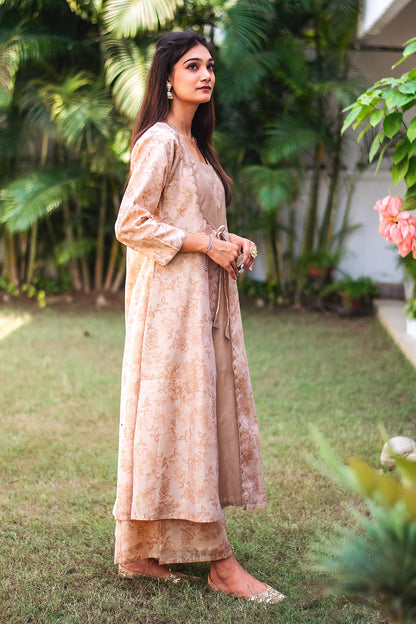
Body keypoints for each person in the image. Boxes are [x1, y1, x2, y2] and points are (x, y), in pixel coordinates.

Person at [113, 31, 285, 604]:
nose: (206, 75)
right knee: (183, 421)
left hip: (202, 305)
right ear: (168, 78)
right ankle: (220, 563)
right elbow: (130, 222)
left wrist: (230, 242)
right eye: (193, 66)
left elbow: (192, 222)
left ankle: (139, 552)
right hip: (169, 312)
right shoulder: (160, 141)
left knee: (184, 423)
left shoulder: (196, 146)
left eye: (210, 66)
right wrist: (199, 243)